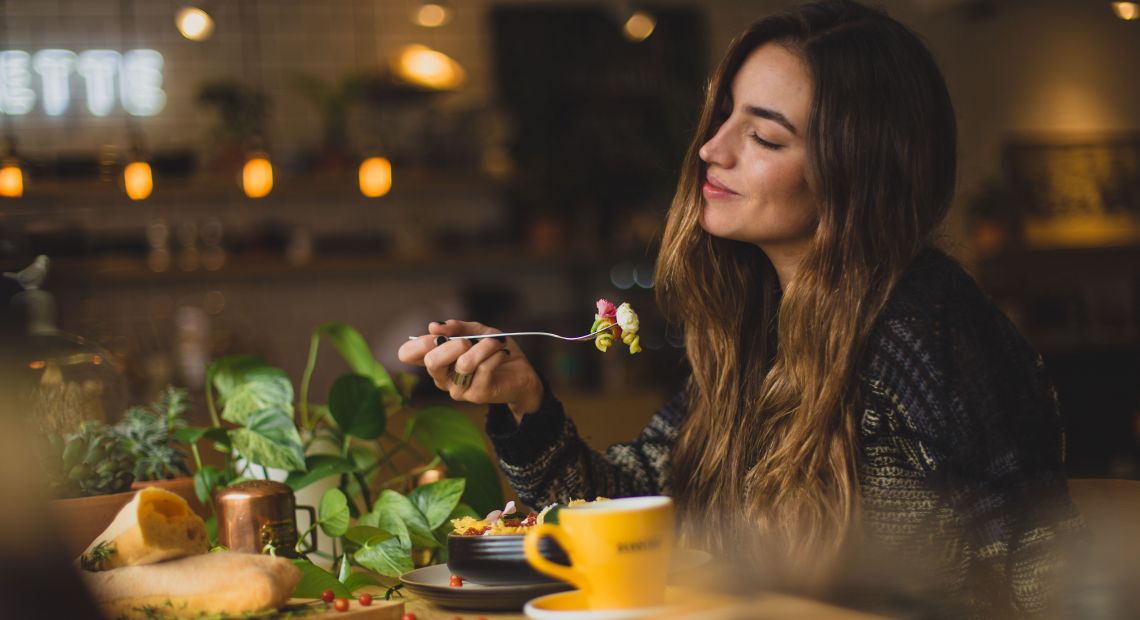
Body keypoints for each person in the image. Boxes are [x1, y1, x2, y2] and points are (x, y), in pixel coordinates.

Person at [398, 0, 1083, 616]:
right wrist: (524, 400)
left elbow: (1033, 572)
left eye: (764, 136)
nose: (710, 148)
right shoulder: (761, 326)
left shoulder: (922, 330)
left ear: (857, 173)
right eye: (725, 114)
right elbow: (633, 508)